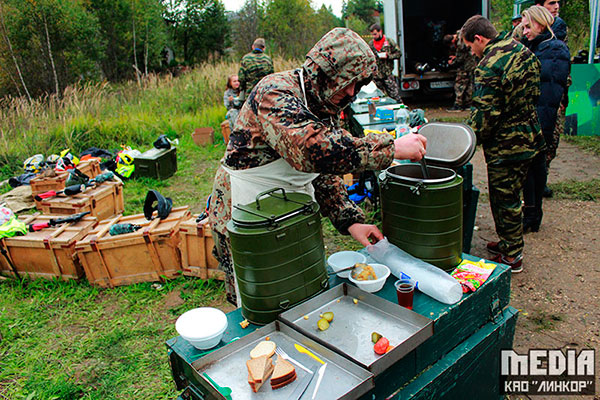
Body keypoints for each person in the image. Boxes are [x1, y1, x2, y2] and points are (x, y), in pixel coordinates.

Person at [209, 28, 427, 305]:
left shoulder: (324, 106)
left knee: (298, 289)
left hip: (292, 212)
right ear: (320, 71)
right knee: (261, 299)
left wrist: (350, 219)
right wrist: (392, 147)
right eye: (345, 81)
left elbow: (323, 172)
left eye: (357, 84)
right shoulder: (274, 93)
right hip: (247, 210)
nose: (350, 91)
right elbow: (313, 151)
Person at [461, 15, 545, 273]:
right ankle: (510, 242)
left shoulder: (489, 64)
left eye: (470, 46)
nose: (471, 52)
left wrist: (464, 144)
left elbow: (486, 116)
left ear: (479, 39)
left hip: (507, 146)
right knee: (514, 194)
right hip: (530, 135)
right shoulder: (523, 50)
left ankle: (512, 256)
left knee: (504, 198)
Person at [520, 6, 570, 232]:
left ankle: (532, 215)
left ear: (541, 24)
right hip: (531, 120)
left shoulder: (555, 50)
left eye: (528, 26)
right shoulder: (536, 46)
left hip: (540, 122)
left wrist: (539, 127)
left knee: (535, 169)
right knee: (529, 170)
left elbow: (548, 94)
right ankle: (530, 213)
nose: (524, 30)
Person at [534, 0, 569, 198]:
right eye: (551, 2)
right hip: (540, 97)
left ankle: (542, 178)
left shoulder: (559, 28)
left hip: (557, 94)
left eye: (558, 2)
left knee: (551, 141)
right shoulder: (529, 27)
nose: (556, 6)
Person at [369, 24, 403, 104]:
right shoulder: (371, 45)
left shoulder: (389, 42)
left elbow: (399, 53)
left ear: (380, 32)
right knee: (378, 99)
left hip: (387, 75)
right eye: (372, 35)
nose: (374, 36)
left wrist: (388, 56)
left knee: (395, 96)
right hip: (376, 76)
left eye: (375, 34)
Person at [446, 32, 477, 112]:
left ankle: (458, 105)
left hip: (466, 65)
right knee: (470, 84)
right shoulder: (462, 33)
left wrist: (452, 62)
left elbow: (460, 58)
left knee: (460, 84)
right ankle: (468, 103)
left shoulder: (460, 43)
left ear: (452, 41)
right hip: (472, 63)